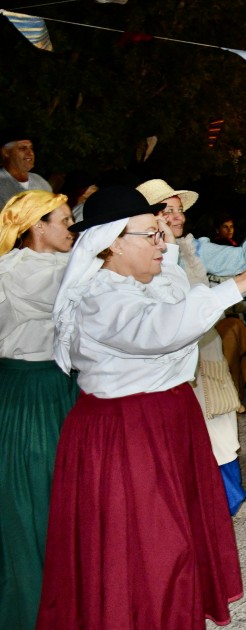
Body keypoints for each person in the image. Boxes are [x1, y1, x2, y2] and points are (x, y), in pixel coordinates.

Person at [38, 185, 246, 628]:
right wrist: (233, 288)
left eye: (160, 233)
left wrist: (166, 249)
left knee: (175, 534)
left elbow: (174, 297)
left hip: (168, 419)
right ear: (110, 242)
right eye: (151, 235)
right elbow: (158, 330)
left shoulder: (140, 283)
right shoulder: (98, 296)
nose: (162, 244)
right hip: (127, 431)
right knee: (153, 543)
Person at [138, 178, 246, 514]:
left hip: (203, 355)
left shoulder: (196, 248)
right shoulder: (137, 260)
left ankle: (223, 499)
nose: (177, 218)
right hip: (163, 365)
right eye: (168, 211)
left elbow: (244, 258)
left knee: (219, 424)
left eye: (180, 211)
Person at [0, 191, 77, 630]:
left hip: (61, 388)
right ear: (36, 226)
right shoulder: (13, 271)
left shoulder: (68, 267)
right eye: (64, 220)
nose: (71, 228)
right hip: (25, 391)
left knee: (59, 496)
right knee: (29, 495)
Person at [0, 131, 51, 209]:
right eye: (23, 148)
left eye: (31, 148)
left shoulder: (40, 181)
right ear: (6, 152)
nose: (30, 153)